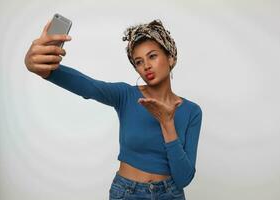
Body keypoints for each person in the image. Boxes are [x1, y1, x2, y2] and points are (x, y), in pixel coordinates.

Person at [24, 18, 203, 200]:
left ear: (170, 58)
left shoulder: (192, 111)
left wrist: (167, 123)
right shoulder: (125, 95)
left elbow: (183, 178)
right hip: (128, 193)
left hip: (170, 194)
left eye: (153, 56)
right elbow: (89, 86)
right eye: (138, 62)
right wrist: (44, 68)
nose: (146, 66)